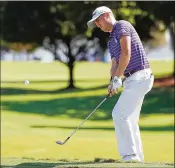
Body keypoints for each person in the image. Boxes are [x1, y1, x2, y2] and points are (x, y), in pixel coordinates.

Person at [87, 6, 154, 162]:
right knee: (130, 119)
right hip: (132, 80)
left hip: (141, 76)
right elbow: (115, 64)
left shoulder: (122, 26)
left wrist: (118, 78)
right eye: (95, 22)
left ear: (107, 15)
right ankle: (138, 158)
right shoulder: (111, 40)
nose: (97, 24)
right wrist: (112, 82)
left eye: (98, 20)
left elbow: (126, 52)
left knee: (119, 114)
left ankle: (130, 156)